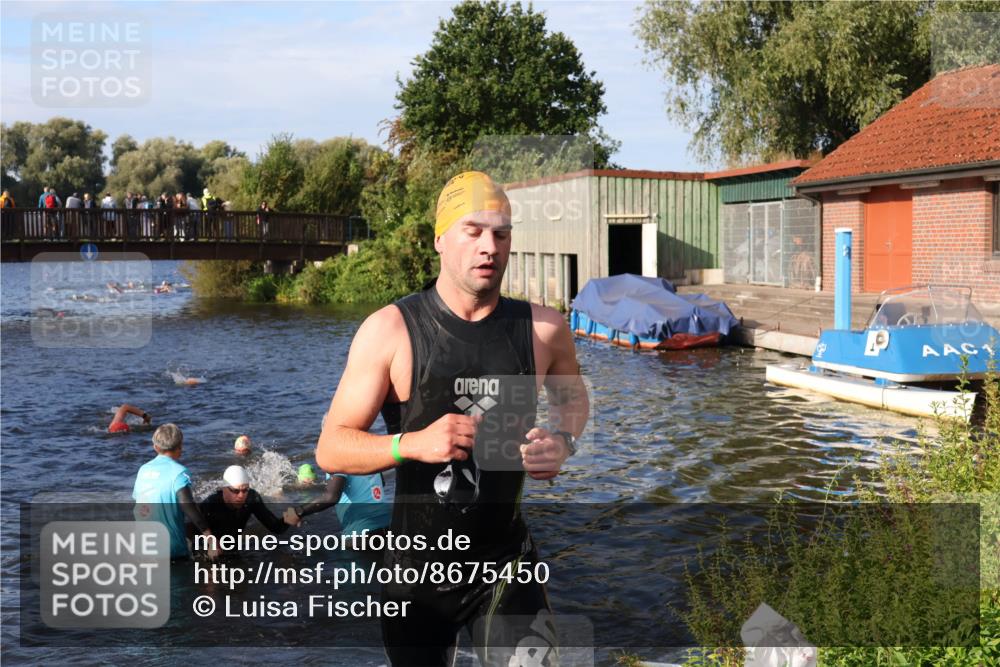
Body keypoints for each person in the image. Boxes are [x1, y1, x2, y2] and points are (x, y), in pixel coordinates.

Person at [315, 171, 589, 666]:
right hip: (414, 573)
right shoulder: (390, 330)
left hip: (506, 565)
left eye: (501, 234)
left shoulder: (544, 329)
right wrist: (409, 444)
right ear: (440, 239)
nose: (490, 247)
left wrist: (564, 441)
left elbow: (572, 399)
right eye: (474, 231)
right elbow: (331, 447)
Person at [133, 424, 219, 560]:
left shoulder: (143, 470)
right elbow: (188, 505)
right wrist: (210, 538)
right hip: (171, 551)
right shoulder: (179, 472)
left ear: (155, 447)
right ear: (180, 447)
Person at [196, 465, 300, 548]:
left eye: (245, 490)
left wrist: (287, 521)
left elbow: (276, 528)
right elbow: (193, 534)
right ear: (224, 489)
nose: (241, 495)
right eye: (235, 491)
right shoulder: (210, 505)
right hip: (207, 551)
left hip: (233, 549)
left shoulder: (251, 498)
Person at [284, 470, 391, 538]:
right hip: (389, 525)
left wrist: (298, 512)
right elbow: (382, 483)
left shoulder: (337, 457)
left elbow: (331, 497)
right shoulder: (369, 453)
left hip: (360, 533)